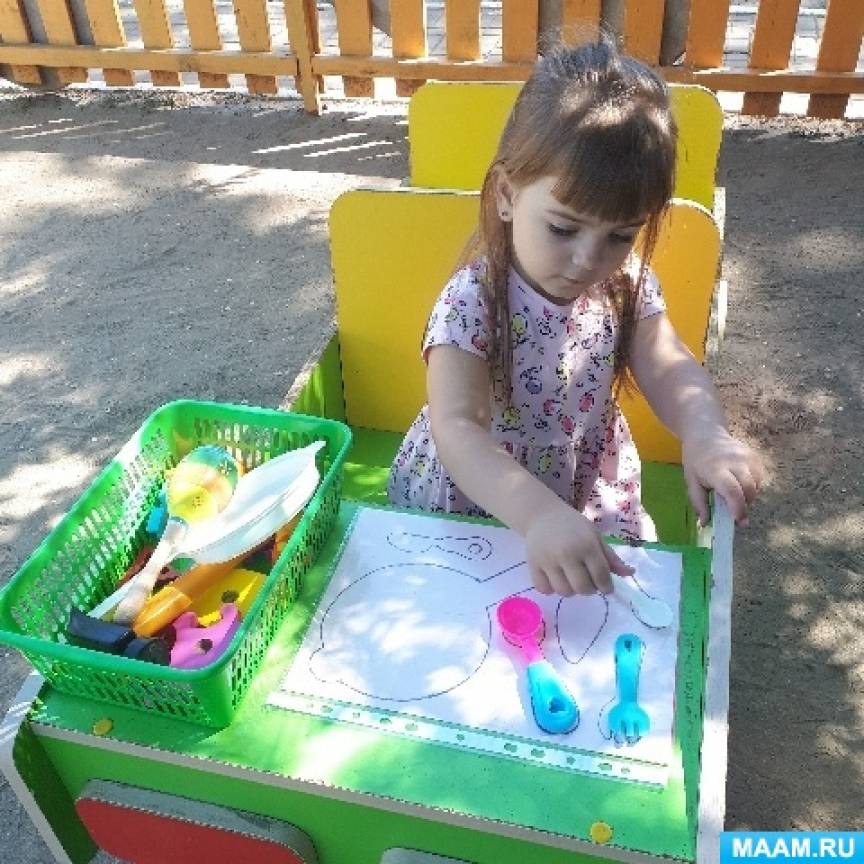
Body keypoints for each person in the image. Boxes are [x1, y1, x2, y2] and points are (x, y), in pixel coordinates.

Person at [387, 38, 763, 598]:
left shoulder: (624, 284)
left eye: (620, 235)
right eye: (563, 228)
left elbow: (670, 368)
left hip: (583, 483)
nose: (589, 259)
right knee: (474, 602)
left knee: (607, 603)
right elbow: (458, 428)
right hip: (482, 494)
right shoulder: (473, 300)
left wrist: (704, 431)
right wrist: (537, 515)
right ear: (508, 195)